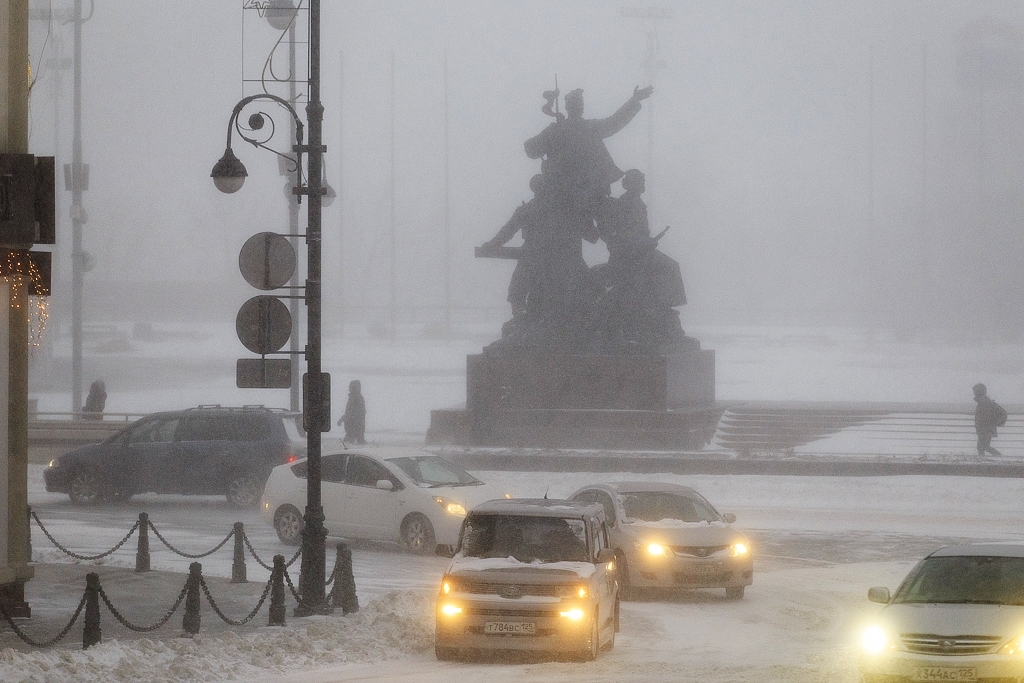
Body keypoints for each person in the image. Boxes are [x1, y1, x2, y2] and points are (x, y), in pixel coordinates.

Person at [973, 383, 1005, 458]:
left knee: (982, 447)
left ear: (979, 392)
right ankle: (984, 461)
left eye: (975, 391)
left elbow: (984, 417)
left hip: (985, 429)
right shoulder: (985, 401)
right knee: (983, 446)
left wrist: (995, 423)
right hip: (984, 429)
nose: (974, 393)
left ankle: (999, 457)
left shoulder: (985, 402)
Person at [337, 380, 366, 444]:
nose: (349, 388)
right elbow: (350, 412)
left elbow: (353, 413)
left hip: (354, 427)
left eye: (350, 387)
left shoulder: (356, 398)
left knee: (347, 445)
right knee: (359, 443)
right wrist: (342, 419)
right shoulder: (354, 397)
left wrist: (343, 419)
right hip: (355, 427)